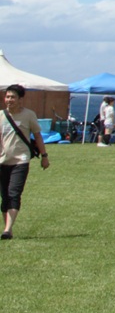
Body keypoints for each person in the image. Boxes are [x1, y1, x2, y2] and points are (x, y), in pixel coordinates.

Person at [1, 84, 51, 239]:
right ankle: (7, 227)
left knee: (14, 193)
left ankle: (8, 230)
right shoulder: (1, 115)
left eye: (13, 97)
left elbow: (37, 136)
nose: (9, 100)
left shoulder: (29, 115)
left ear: (20, 99)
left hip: (21, 160)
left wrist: (44, 156)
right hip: (2, 161)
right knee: (5, 196)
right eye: (7, 96)